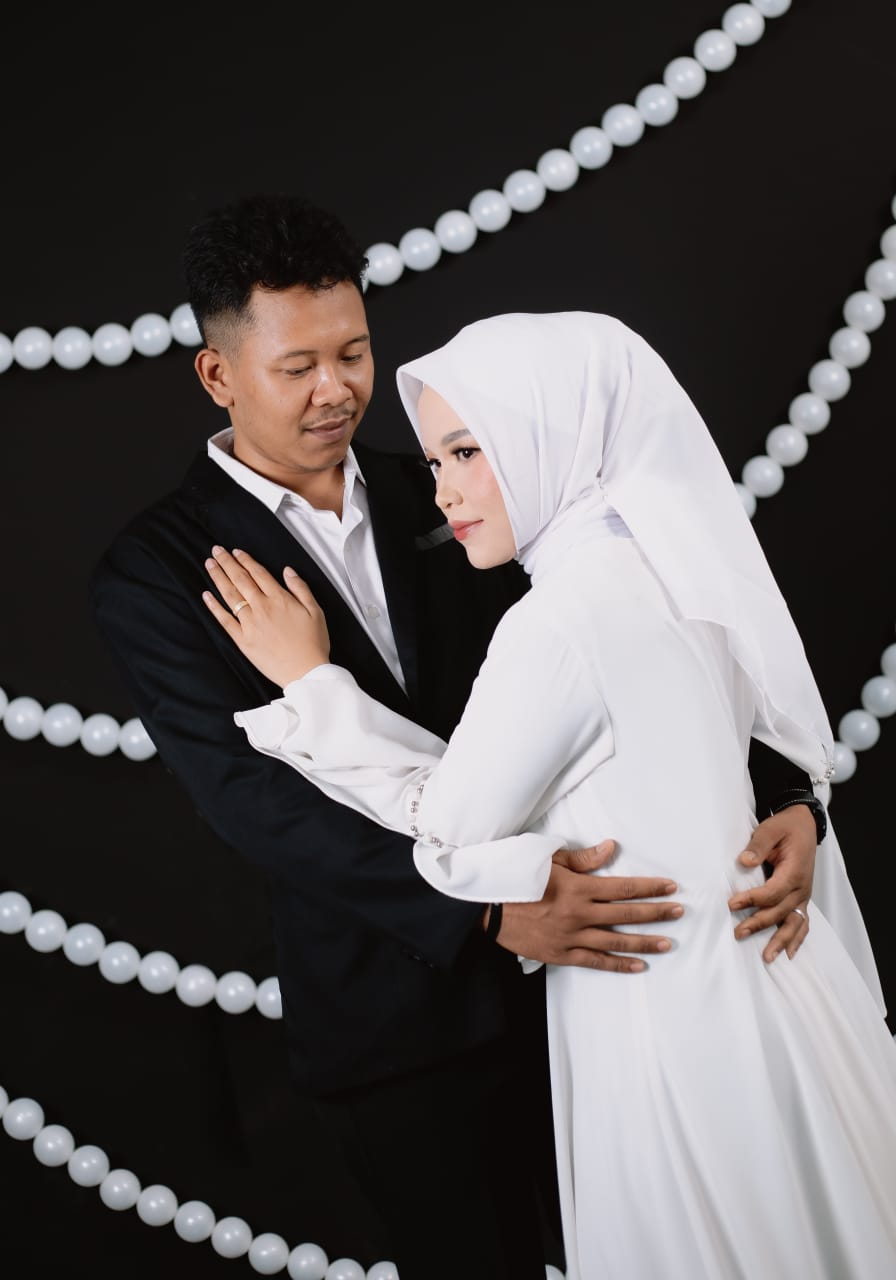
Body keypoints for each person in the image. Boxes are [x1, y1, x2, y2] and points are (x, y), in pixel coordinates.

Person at [89, 193, 825, 1280]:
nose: (337, 388)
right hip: (397, 1021)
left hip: (600, 975)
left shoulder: (453, 482)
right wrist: (486, 911)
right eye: (298, 366)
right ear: (218, 375)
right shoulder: (155, 569)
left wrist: (789, 795)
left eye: (354, 353)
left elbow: (642, 646)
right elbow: (252, 802)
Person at [199, 308, 896, 1280]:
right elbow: (753, 736)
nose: (442, 489)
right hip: (774, 982)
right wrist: (796, 806)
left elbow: (446, 822)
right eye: (435, 459)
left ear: (551, 437)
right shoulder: (673, 569)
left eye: (466, 451)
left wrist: (315, 688)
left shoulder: (558, 621)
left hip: (662, 1011)